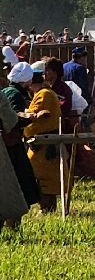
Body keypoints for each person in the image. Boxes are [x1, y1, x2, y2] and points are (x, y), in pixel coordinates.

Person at [20, 63, 63, 212]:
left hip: (44, 143)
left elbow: (33, 121)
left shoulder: (44, 94)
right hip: (41, 143)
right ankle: (45, 207)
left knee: (44, 177)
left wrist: (25, 127)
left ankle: (47, 208)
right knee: (40, 176)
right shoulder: (44, 93)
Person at [2, 64, 41, 220]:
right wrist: (31, 117)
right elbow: (12, 120)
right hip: (10, 145)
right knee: (18, 184)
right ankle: (13, 222)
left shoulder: (6, 91)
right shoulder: (15, 94)